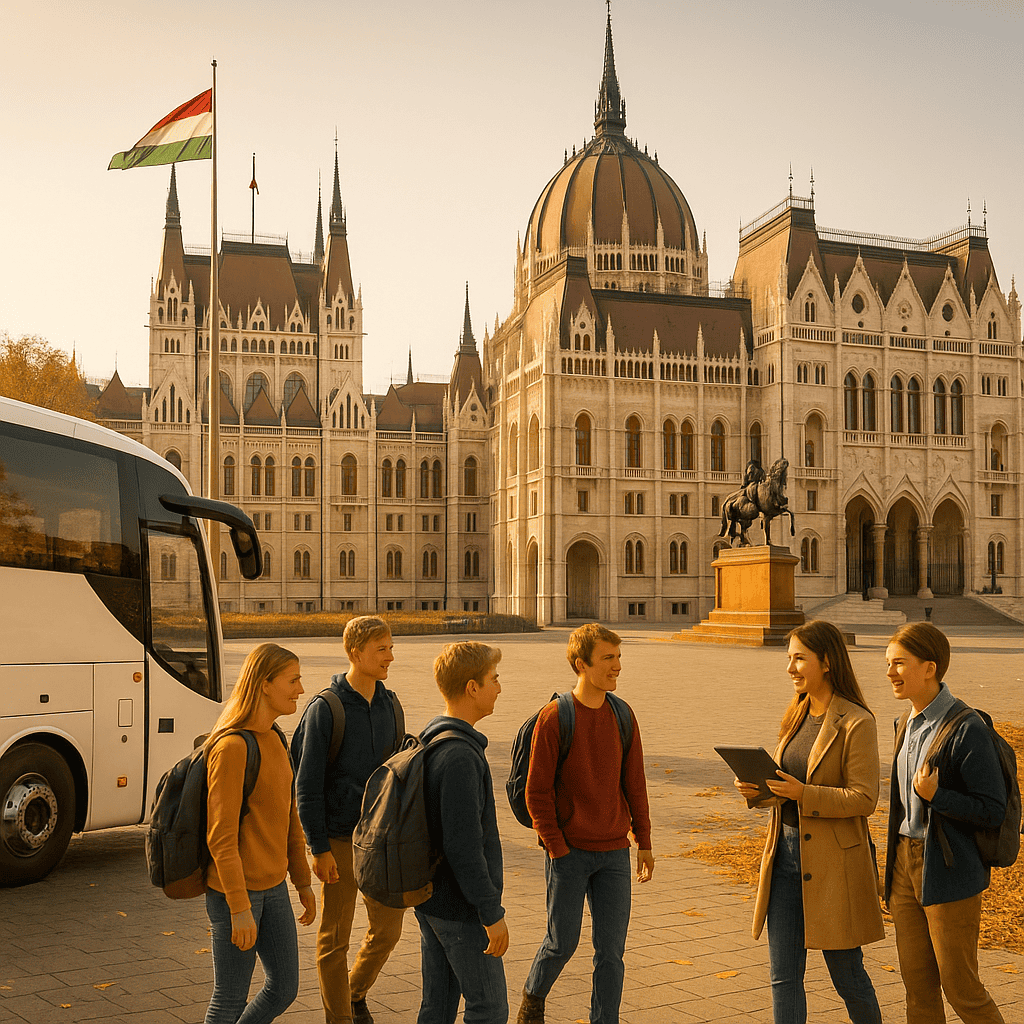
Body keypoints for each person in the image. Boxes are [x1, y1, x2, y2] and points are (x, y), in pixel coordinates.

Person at [734, 620, 884, 1024]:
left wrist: (804, 794)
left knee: (847, 975)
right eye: (789, 658)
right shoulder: (796, 714)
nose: (790, 668)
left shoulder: (857, 722)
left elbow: (864, 798)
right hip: (783, 862)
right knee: (783, 977)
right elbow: (787, 786)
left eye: (799, 658)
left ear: (828, 662)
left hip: (835, 867)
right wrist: (760, 792)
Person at [518, 623, 653, 1024]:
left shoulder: (623, 714)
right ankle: (532, 997)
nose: (617, 667)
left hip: (614, 852)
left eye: (619, 657)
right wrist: (557, 846)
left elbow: (635, 784)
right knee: (562, 943)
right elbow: (536, 792)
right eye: (608, 658)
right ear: (581, 663)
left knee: (611, 952)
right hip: (570, 852)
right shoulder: (554, 718)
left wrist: (643, 840)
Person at [883, 622, 1007, 1024]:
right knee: (917, 989)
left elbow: (992, 810)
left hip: (950, 869)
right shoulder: (905, 723)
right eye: (888, 663)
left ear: (929, 668)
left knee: (961, 989)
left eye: (899, 663)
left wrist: (939, 797)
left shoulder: (967, 728)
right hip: (905, 864)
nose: (889, 673)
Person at [292, 615, 407, 1024]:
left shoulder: (392, 704)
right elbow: (305, 787)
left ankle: (354, 991)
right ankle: (339, 1018)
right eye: (383, 649)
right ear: (356, 652)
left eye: (391, 647)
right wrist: (317, 848)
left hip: (382, 842)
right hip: (340, 841)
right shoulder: (326, 708)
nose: (390, 656)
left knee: (389, 930)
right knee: (334, 939)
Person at [204, 643, 317, 1024]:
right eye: (293, 680)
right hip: (236, 892)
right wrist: (238, 907)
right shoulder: (233, 747)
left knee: (284, 987)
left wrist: (302, 882)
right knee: (230, 998)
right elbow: (220, 838)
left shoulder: (277, 739)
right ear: (264, 684)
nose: (301, 689)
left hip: (274, 887)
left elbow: (290, 818)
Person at [416, 641, 509, 1024]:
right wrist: (491, 912)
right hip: (460, 907)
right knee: (488, 1009)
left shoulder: (434, 737)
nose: (499, 687)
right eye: (494, 678)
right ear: (472, 687)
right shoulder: (459, 756)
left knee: (437, 1006)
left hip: (432, 899)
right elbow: (464, 846)